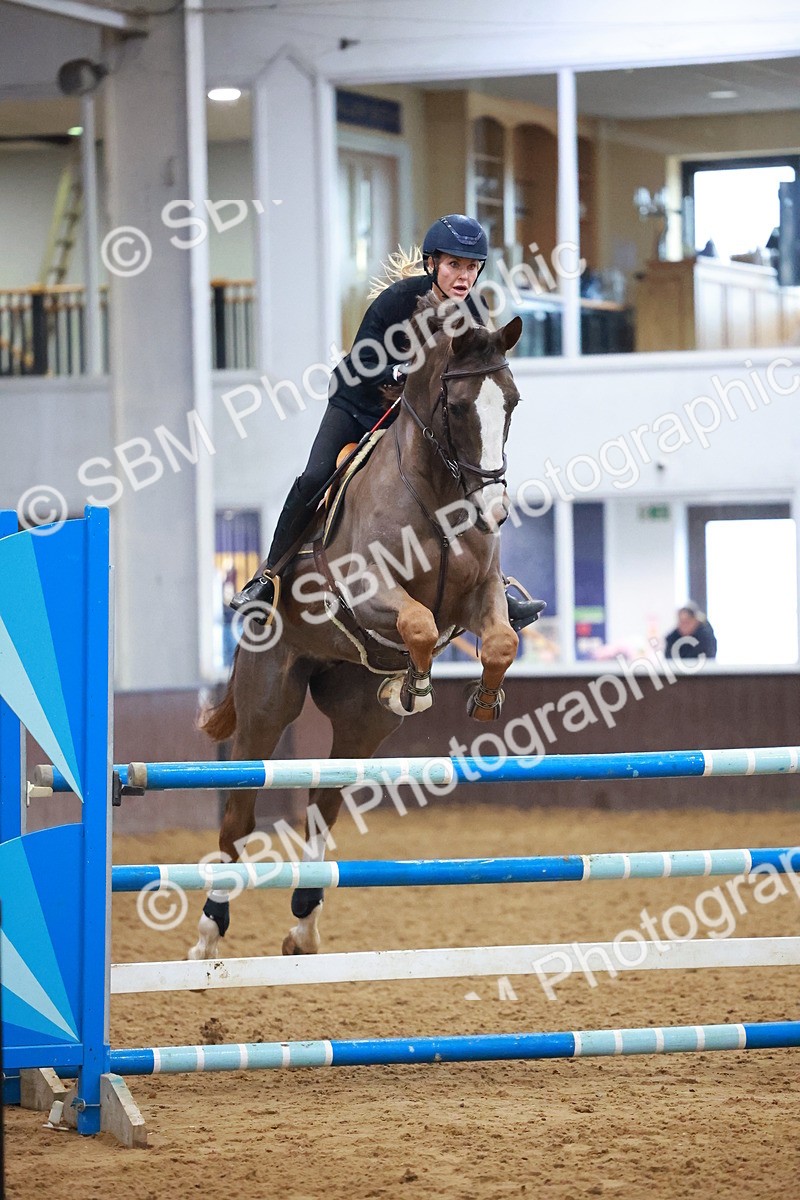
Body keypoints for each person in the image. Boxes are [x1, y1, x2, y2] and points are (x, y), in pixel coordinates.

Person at [230, 213, 545, 631]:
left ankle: (492, 584)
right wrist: (400, 372)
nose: (464, 275)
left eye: (471, 267)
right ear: (432, 264)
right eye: (454, 265)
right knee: (316, 474)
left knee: (468, 479)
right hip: (358, 402)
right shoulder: (398, 300)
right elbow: (363, 362)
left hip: (414, 414)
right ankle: (268, 578)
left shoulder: (474, 309)